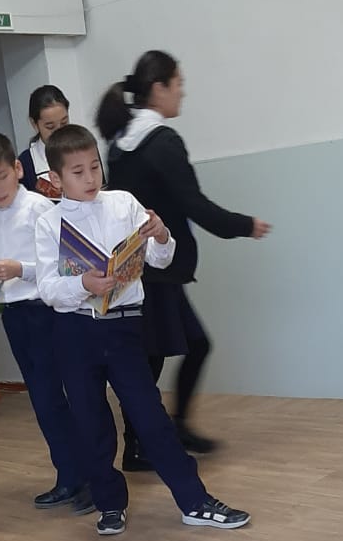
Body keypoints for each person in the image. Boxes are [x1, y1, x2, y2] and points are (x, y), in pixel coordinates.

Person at [34, 124, 251, 536]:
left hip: (124, 329)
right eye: (78, 172)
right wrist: (83, 283)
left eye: (95, 166)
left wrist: (163, 236)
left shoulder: (123, 204)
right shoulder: (49, 224)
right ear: (56, 179)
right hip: (75, 332)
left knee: (150, 417)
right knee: (91, 423)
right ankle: (109, 503)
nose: (90, 177)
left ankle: (194, 501)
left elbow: (160, 259)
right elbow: (48, 288)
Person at [96, 51, 270, 468]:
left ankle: (172, 428)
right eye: (179, 85)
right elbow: (194, 204)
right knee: (153, 359)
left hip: (144, 266)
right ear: (159, 88)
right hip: (157, 267)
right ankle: (137, 445)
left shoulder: (121, 143)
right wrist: (244, 225)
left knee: (190, 346)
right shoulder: (162, 141)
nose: (182, 94)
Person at [0, 129, 92, 514]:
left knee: (71, 395)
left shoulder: (39, 207)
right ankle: (67, 476)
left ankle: (93, 478)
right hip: (15, 314)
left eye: (1, 176)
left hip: (47, 310)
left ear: (18, 169)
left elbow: (64, 264)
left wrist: (20, 268)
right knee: (43, 399)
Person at [18, 85, 69, 200]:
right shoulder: (26, 163)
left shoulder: (84, 148)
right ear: (34, 124)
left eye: (64, 123)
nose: (59, 132)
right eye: (50, 127)